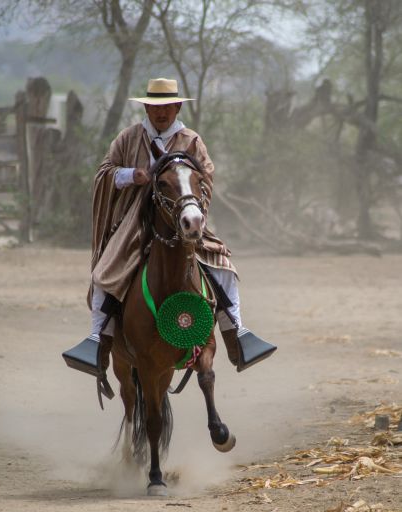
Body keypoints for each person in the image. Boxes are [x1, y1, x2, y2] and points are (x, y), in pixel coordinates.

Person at [64, 78, 275, 382]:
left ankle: (237, 333)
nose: (161, 113)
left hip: (182, 217)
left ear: (177, 106)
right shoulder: (128, 138)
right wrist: (129, 175)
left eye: (167, 107)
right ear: (147, 108)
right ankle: (98, 341)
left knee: (224, 266)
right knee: (105, 272)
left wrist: (191, 207)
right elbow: (104, 173)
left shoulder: (191, 141)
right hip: (135, 220)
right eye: (155, 107)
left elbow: (207, 176)